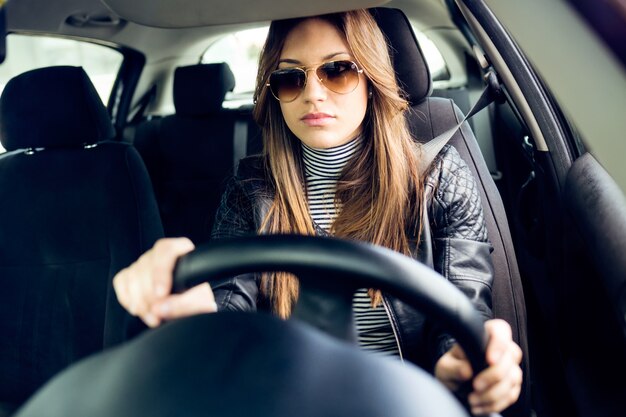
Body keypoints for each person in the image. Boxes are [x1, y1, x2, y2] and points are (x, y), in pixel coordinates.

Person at [114, 9, 522, 415]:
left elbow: (466, 309)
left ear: (372, 79)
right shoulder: (249, 187)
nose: (312, 93)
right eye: (290, 77)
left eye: (338, 70)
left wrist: (463, 361)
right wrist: (192, 306)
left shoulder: (440, 177)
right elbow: (229, 301)